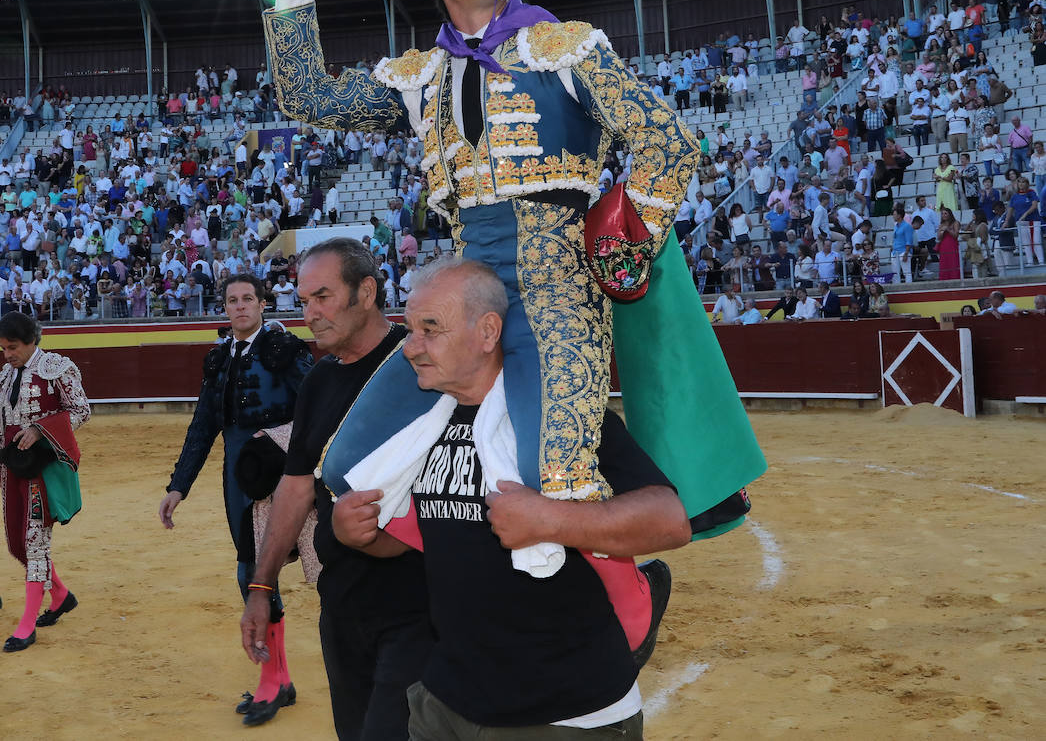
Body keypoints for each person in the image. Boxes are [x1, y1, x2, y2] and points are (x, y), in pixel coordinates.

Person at [261, 0, 762, 555]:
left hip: (558, 304)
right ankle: (462, 570)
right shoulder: (425, 77)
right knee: (347, 465)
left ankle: (615, 600)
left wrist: (628, 243)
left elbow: (667, 140)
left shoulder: (564, 49)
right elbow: (309, 99)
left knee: (549, 481)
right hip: (462, 308)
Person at [331, 258, 690, 736]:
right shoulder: (421, 430)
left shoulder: (556, 421)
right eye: (410, 329)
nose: (410, 347)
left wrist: (550, 521)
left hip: (565, 714)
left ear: (486, 332)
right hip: (447, 702)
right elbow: (420, 537)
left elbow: (670, 520)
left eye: (430, 329)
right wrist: (359, 535)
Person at [240, 239, 434, 738]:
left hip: (421, 609)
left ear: (366, 291)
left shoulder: (422, 365)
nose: (311, 314)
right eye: (304, 301)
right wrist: (261, 585)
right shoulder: (320, 380)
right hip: (342, 606)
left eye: (322, 297)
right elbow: (295, 486)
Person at [159, 274, 314, 723]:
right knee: (251, 570)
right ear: (223, 307)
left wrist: (290, 449)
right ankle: (278, 679)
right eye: (232, 300)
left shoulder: (285, 349)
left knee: (258, 571)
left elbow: (318, 407)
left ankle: (273, 681)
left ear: (263, 303)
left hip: (280, 471)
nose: (241, 306)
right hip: (236, 475)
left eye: (248, 298)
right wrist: (178, 486)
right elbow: (203, 426)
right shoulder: (219, 358)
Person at [0, 312, 90, 652]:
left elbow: (81, 410)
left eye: (13, 347)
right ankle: (60, 594)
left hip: (43, 471)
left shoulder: (58, 368)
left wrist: (40, 429)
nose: (7, 355)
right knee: (17, 544)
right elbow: (0, 422)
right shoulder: (6, 374)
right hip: (15, 468)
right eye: (3, 348)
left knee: (34, 544)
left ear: (32, 340)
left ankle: (27, 624)